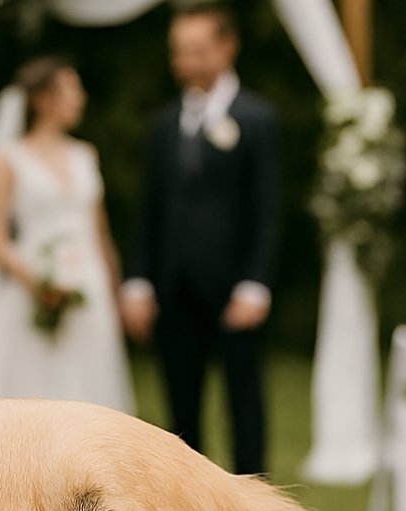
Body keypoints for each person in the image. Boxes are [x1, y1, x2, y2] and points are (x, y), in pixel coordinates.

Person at [0, 58, 134, 419]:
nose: (80, 99)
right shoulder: (8, 159)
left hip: (88, 287)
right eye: (71, 91)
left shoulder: (86, 155)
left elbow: (100, 232)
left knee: (91, 390)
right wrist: (38, 281)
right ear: (43, 99)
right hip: (31, 284)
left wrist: (115, 289)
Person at [121, 2, 279, 475]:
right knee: (181, 409)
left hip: (235, 288)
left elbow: (267, 210)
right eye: (178, 51)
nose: (185, 62)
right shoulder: (164, 125)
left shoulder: (257, 119)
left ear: (227, 47)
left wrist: (255, 282)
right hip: (175, 285)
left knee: (244, 403)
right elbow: (150, 209)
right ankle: (190, 505)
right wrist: (137, 280)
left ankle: (255, 507)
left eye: (196, 50)